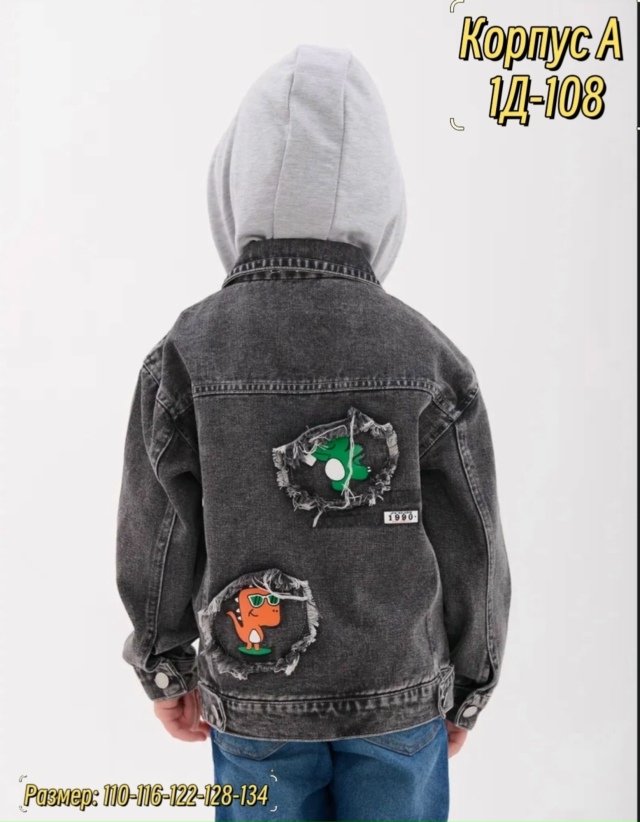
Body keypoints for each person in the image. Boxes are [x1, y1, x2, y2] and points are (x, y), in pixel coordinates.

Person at [116, 44, 511, 822]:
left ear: (234, 188)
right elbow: (474, 536)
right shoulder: (428, 356)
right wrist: (471, 683)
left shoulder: (187, 352)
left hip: (255, 697)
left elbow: (157, 530)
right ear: (384, 198)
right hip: (399, 695)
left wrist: (165, 667)